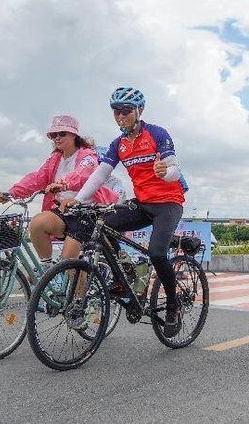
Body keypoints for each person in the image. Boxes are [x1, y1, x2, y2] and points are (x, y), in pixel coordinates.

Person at [61, 86, 186, 338]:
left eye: (126, 111)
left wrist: (165, 171)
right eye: (116, 111)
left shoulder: (157, 134)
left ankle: (173, 304)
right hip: (142, 203)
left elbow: (173, 170)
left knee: (156, 253)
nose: (120, 116)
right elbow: (100, 174)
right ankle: (125, 270)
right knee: (101, 224)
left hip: (169, 202)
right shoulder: (119, 144)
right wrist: (79, 199)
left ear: (139, 111)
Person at [0, 115, 120, 269]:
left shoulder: (87, 155)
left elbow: (84, 173)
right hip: (62, 211)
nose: (57, 138)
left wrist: (63, 184)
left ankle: (79, 293)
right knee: (36, 224)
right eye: (53, 135)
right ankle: (48, 270)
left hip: (85, 213)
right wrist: (12, 192)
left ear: (74, 134)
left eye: (62, 133)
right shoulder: (54, 159)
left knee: (68, 261)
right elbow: (37, 178)